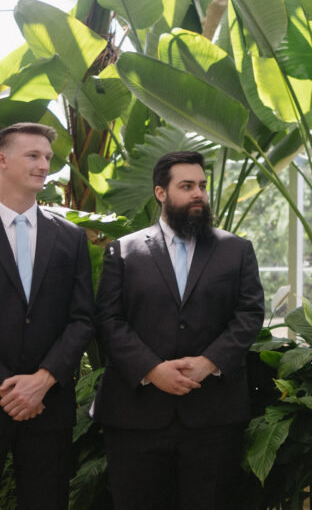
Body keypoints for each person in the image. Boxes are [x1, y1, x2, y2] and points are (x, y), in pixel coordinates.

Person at [93, 151, 264, 510]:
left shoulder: (236, 250)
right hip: (135, 416)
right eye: (186, 186)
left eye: (201, 185)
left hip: (213, 416)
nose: (198, 193)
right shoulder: (123, 251)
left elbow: (249, 314)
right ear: (161, 193)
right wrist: (152, 370)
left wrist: (209, 362)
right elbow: (109, 320)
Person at [0, 122, 94, 509]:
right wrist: (9, 387)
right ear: (2, 160)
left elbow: (83, 318)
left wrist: (42, 381)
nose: (44, 165)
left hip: (49, 404)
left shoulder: (70, 236)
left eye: (48, 158)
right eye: (33, 155)